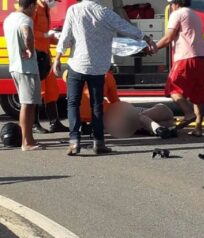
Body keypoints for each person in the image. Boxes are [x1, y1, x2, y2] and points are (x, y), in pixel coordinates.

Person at [53, 0, 157, 155]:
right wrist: (147, 39)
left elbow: (66, 36)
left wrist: (57, 58)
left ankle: (74, 141)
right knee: (97, 105)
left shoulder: (73, 10)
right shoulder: (105, 12)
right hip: (98, 67)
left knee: (73, 104)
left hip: (77, 65)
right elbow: (126, 27)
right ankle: (99, 143)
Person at [66, 70, 176, 139]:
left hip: (92, 121)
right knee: (163, 110)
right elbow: (115, 101)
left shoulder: (71, 74)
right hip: (107, 115)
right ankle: (158, 129)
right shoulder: (105, 75)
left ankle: (159, 127)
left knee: (167, 122)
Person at [156, 0, 204, 137]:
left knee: (173, 88)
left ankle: (188, 114)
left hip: (185, 58)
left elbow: (168, 38)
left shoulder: (177, 14)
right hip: (201, 59)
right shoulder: (195, 14)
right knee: (198, 96)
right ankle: (198, 128)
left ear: (175, 3)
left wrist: (152, 48)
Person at [3, 0, 45, 151]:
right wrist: (29, 49)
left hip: (14, 66)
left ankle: (29, 139)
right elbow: (27, 33)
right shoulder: (25, 19)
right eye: (35, 7)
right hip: (26, 68)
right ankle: (26, 142)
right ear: (31, 6)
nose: (35, 11)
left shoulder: (9, 18)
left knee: (26, 103)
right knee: (28, 104)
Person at [32, 0, 69, 134]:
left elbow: (46, 34)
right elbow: (28, 31)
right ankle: (34, 124)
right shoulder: (34, 8)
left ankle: (55, 122)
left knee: (52, 91)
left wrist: (61, 42)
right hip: (37, 57)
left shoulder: (46, 9)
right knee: (38, 93)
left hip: (46, 57)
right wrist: (46, 35)